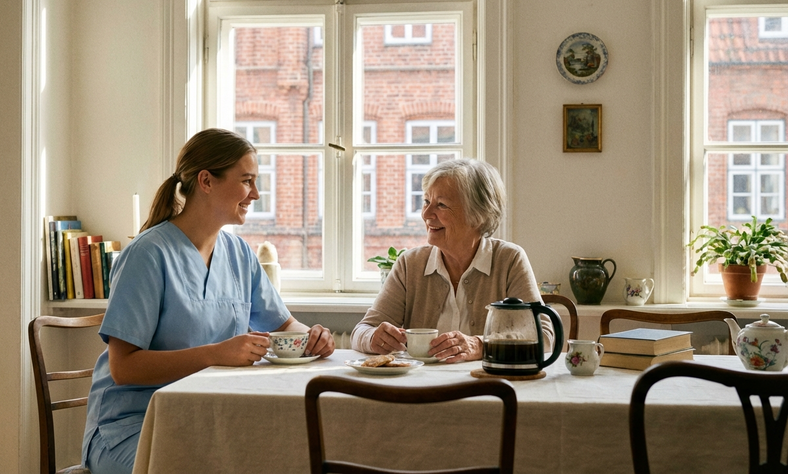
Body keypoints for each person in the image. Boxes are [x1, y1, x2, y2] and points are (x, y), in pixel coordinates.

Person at [82, 128, 335, 474]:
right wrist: (215, 355)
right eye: (247, 181)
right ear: (206, 181)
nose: (256, 194)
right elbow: (123, 368)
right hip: (132, 427)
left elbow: (285, 326)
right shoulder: (147, 254)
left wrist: (313, 338)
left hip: (206, 419)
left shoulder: (239, 254)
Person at [351, 158, 553, 362]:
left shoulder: (509, 260)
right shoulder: (410, 264)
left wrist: (481, 345)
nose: (427, 214)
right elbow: (362, 330)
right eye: (426, 202)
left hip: (486, 388)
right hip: (422, 388)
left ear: (479, 214)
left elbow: (543, 336)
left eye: (441, 205)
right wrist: (372, 338)